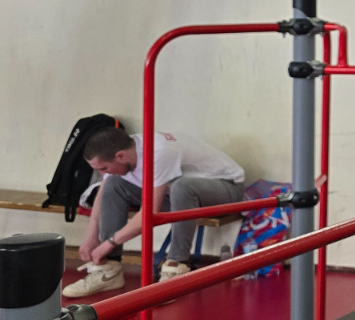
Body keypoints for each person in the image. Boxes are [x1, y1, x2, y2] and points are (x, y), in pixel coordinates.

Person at [63, 126, 247, 298]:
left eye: (104, 168)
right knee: (113, 184)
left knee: (182, 187)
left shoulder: (159, 153)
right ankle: (109, 269)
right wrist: (91, 236)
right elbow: (102, 195)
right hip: (177, 194)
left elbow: (149, 213)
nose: (104, 173)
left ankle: (177, 266)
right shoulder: (122, 151)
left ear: (120, 156)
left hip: (226, 187)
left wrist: (108, 244)